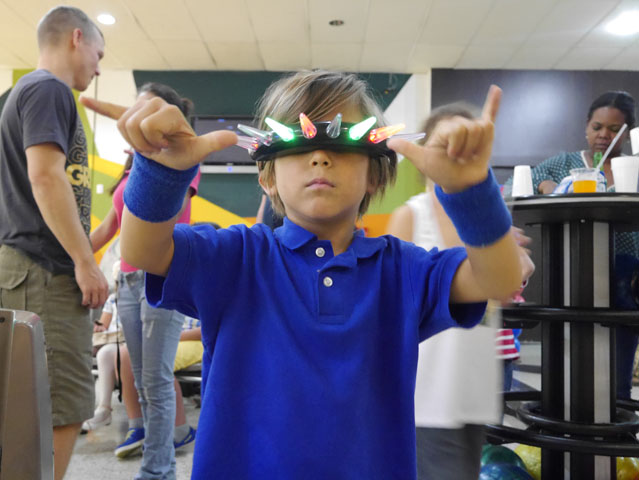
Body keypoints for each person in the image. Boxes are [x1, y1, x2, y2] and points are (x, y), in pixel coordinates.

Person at [81, 69, 523, 480]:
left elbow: (499, 280)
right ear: (267, 177)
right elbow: (143, 249)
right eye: (296, 144)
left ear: (374, 174)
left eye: (343, 144)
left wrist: (471, 192)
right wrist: (160, 172)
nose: (320, 158)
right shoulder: (236, 258)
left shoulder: (404, 270)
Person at [386, 103, 535, 479]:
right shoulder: (411, 215)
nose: (457, 148)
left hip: (476, 377)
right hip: (428, 388)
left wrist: (514, 267)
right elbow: (391, 306)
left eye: (467, 140)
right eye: (446, 140)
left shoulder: (489, 218)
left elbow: (504, 284)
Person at [0, 6, 107, 479]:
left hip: (27, 267)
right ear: (76, 38)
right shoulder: (49, 89)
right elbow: (45, 177)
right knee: (58, 406)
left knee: (31, 408)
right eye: (99, 54)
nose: (98, 68)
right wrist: (84, 261)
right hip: (42, 270)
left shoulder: (22, 91)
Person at [88, 82, 200, 480]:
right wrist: (71, 257)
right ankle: (159, 465)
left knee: (155, 378)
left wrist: (150, 160)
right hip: (128, 282)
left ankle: (158, 471)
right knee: (139, 377)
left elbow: (165, 210)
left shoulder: (180, 159)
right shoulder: (131, 169)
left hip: (162, 279)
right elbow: (107, 229)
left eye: (148, 108)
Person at [506, 91, 639, 401]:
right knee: (571, 365)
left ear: (627, 132)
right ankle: (566, 407)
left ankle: (616, 412)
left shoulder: (633, 170)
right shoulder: (565, 163)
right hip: (574, 272)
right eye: (597, 127)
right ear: (586, 127)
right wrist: (547, 185)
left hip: (626, 279)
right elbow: (516, 185)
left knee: (617, 371)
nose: (603, 135)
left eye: (613, 129)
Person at [114, 322, 201, 458]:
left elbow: (211, 326)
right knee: (125, 353)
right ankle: (138, 426)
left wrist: (169, 336)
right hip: (164, 338)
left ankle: (180, 431)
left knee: (153, 356)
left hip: (196, 340)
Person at [82, 291, 123, 432]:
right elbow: (103, 324)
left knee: (105, 353)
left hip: (125, 341)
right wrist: (99, 327)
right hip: (110, 339)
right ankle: (84, 410)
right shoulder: (113, 298)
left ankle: (104, 408)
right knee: (79, 351)